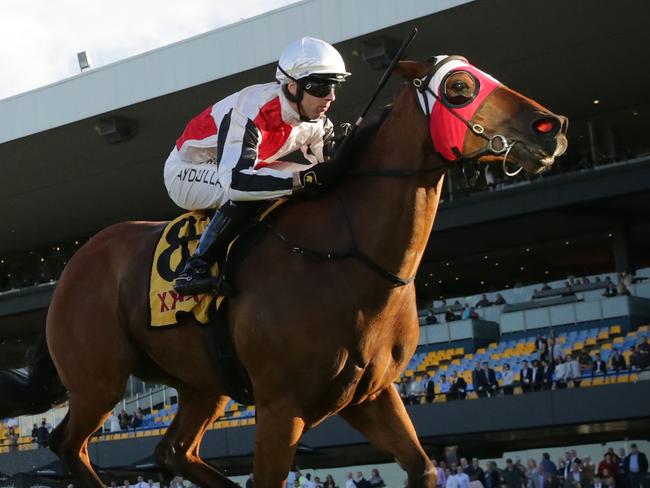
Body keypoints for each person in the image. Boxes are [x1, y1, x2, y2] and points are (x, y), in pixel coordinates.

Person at [167, 37, 350, 295]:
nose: (330, 97)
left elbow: (328, 165)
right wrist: (305, 179)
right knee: (256, 189)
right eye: (321, 88)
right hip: (187, 170)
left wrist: (343, 151)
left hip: (243, 164)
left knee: (304, 180)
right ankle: (195, 267)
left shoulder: (315, 119)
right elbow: (238, 183)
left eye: (334, 87)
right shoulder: (249, 112)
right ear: (292, 86)